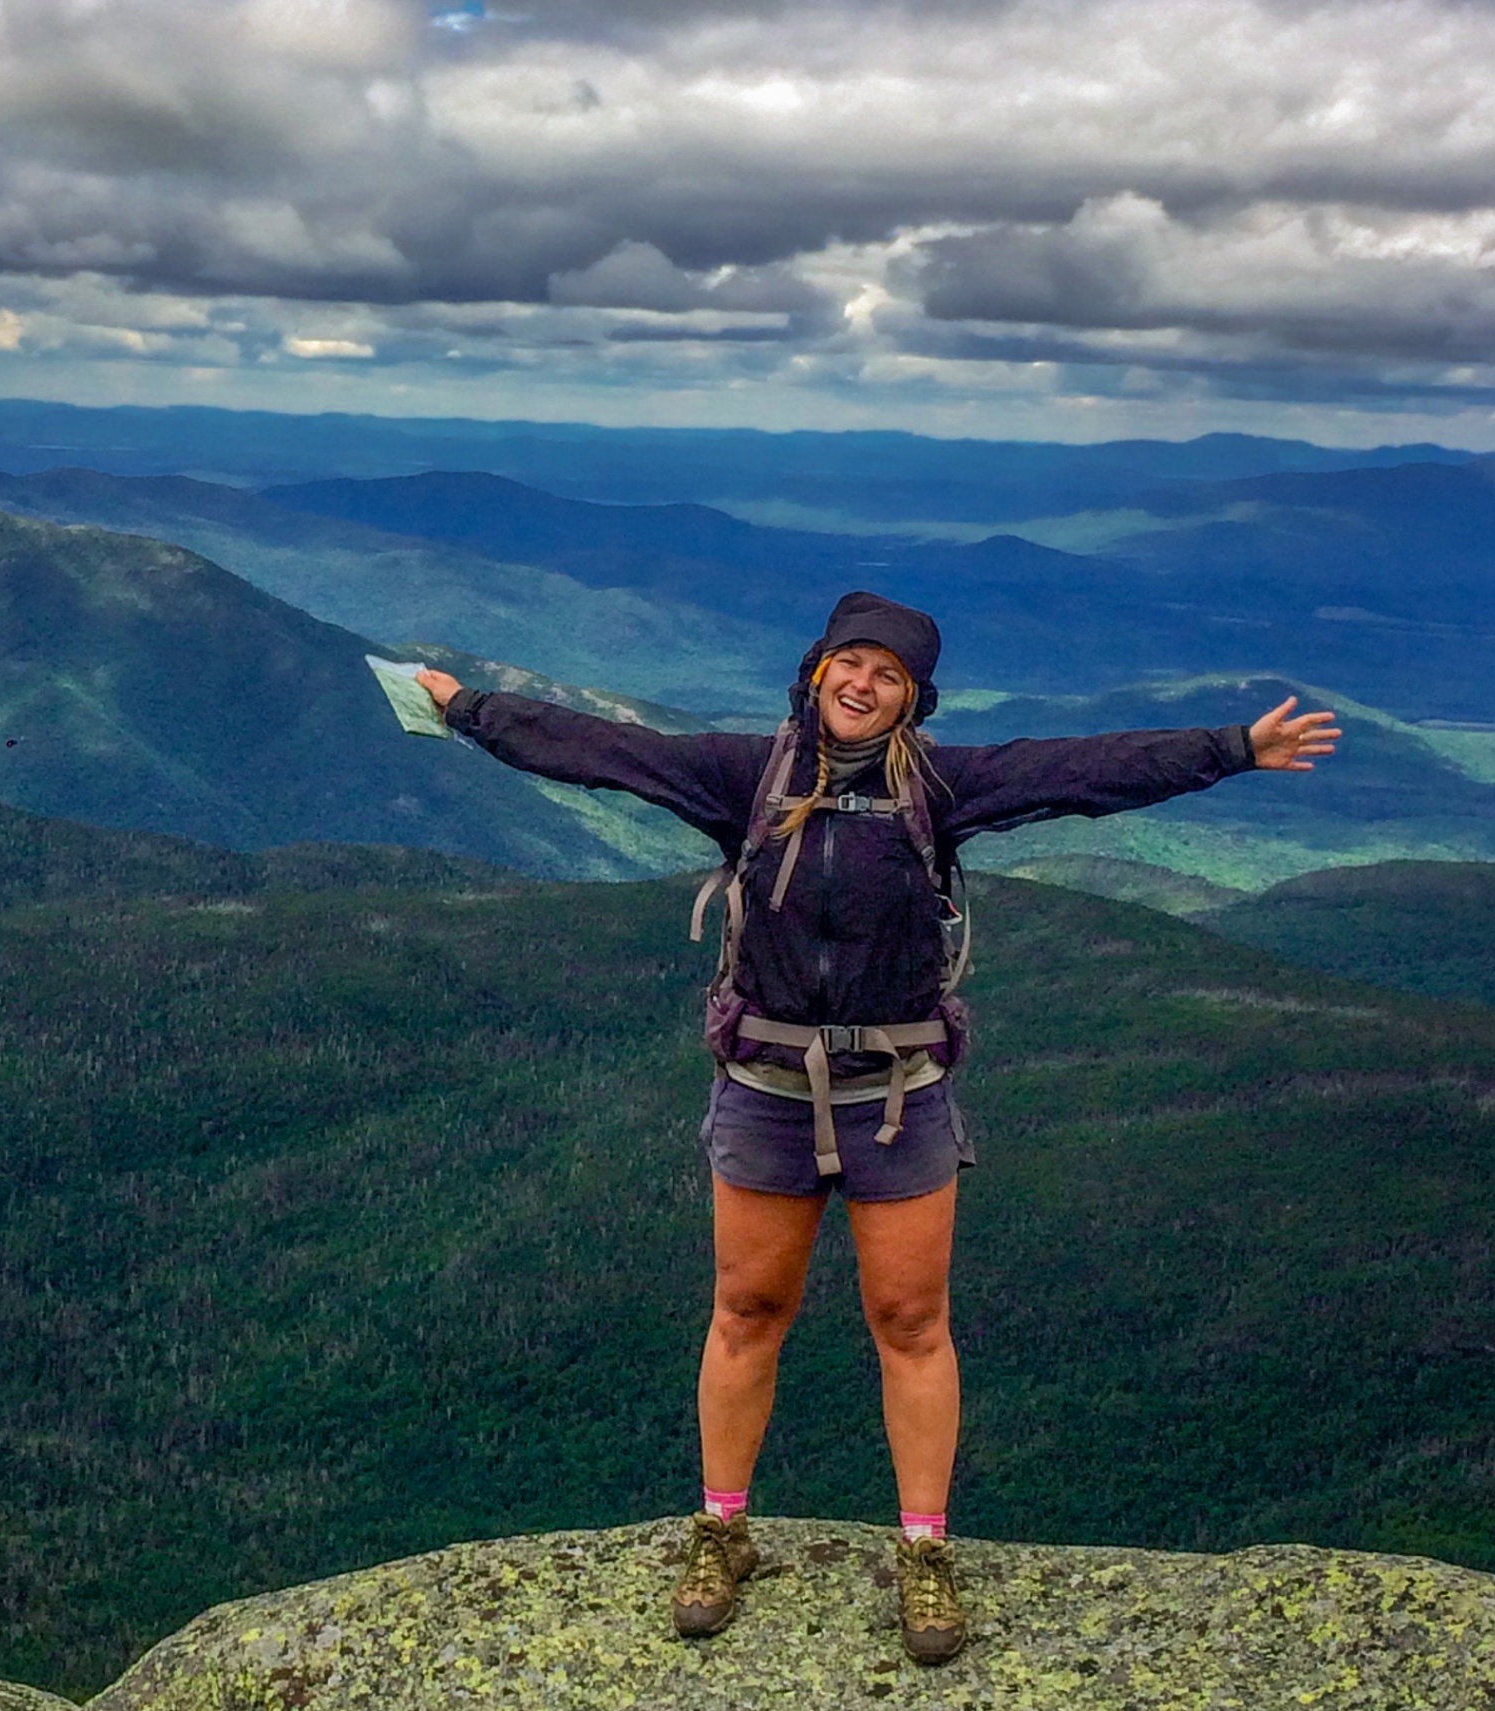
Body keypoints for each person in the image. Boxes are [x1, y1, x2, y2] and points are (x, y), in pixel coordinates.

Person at [415, 590, 1340, 1666]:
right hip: (765, 1082)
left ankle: (924, 1551)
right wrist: (469, 710)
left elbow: (1081, 768)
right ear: (815, 672)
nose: (862, 684)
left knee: (910, 1320)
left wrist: (1230, 746)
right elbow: (603, 750)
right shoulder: (742, 776)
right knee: (747, 1307)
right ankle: (721, 1530)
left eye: (887, 675)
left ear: (912, 699)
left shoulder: (938, 789)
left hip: (895, 1092)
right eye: (848, 663)